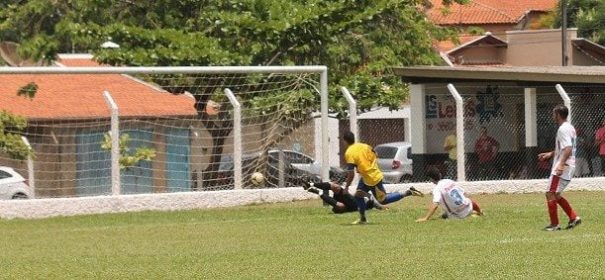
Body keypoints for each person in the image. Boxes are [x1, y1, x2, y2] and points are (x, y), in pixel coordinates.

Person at [341, 131, 423, 224]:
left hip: (372, 179)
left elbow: (351, 174)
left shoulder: (349, 153)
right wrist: (366, 165)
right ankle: (363, 219)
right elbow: (375, 155)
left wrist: (347, 187)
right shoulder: (364, 146)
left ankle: (408, 192)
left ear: (345, 141)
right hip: (367, 176)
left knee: (383, 200)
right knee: (358, 195)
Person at [538, 105, 582, 231]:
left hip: (563, 166)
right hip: (569, 165)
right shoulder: (570, 128)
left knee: (550, 193)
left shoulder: (562, 129)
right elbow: (564, 147)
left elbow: (568, 148)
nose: (552, 116)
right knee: (555, 194)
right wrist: (550, 154)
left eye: (553, 114)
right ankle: (574, 218)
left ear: (558, 114)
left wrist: (561, 164)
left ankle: (554, 224)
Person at [303, 181, 422, 214]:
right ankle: (407, 192)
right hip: (367, 198)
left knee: (383, 198)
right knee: (383, 199)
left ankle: (311, 185)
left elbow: (332, 187)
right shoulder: (348, 205)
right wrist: (380, 207)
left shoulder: (343, 199)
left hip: (368, 187)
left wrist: (313, 186)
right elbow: (371, 200)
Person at [415, 167, 483, 222]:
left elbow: (435, 205)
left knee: (446, 214)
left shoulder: (437, 189)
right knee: (470, 201)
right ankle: (479, 213)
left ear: (431, 179)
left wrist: (425, 218)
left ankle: (469, 213)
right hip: (467, 207)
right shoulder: (449, 181)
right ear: (440, 174)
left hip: (458, 215)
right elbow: (462, 193)